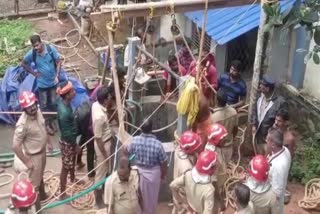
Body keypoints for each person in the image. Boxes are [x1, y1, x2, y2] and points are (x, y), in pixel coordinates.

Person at [12, 91, 52, 212]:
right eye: (29, 107)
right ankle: (37, 209)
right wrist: (27, 161)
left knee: (40, 176)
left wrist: (49, 142)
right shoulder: (22, 125)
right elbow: (15, 146)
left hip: (42, 152)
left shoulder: (38, 111)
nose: (32, 107)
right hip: (33, 156)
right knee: (34, 187)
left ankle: (43, 194)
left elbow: (44, 126)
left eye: (33, 104)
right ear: (24, 109)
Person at [21, 35, 62, 134]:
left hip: (52, 82)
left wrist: (57, 75)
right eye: (34, 46)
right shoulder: (32, 54)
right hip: (42, 84)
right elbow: (23, 63)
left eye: (37, 45)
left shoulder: (50, 49)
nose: (36, 48)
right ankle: (47, 123)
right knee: (43, 105)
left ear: (41, 43)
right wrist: (33, 73)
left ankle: (52, 121)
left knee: (53, 102)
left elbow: (59, 61)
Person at [127, 119, 168, 214]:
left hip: (139, 173)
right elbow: (164, 162)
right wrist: (163, 175)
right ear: (152, 129)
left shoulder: (135, 140)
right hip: (154, 175)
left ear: (141, 128)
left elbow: (126, 151)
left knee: (139, 196)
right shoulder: (158, 144)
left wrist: (128, 168)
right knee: (152, 199)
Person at [251, 74, 288, 155]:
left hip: (270, 140)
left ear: (267, 89)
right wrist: (254, 124)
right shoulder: (259, 95)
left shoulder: (280, 102)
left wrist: (272, 134)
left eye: (262, 85)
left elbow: (282, 123)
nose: (259, 86)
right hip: (258, 136)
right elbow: (254, 110)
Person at [56, 81, 80, 200]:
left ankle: (73, 178)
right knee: (65, 167)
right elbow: (67, 133)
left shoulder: (62, 102)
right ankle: (62, 193)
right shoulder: (64, 114)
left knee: (71, 161)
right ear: (67, 95)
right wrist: (75, 145)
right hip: (68, 142)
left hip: (68, 138)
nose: (74, 92)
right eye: (72, 91)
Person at [91, 86, 114, 207]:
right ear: (105, 100)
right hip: (103, 145)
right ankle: (98, 202)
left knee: (104, 171)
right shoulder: (100, 116)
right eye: (109, 98)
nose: (110, 100)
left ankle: (102, 195)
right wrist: (105, 155)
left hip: (104, 142)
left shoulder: (95, 105)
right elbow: (98, 138)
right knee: (100, 174)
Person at [172, 130, 203, 214]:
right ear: (190, 150)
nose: (198, 148)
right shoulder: (188, 168)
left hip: (177, 189)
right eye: (196, 148)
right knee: (185, 210)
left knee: (177, 208)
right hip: (184, 195)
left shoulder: (178, 150)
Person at [266, 128, 291, 214]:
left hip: (274, 202)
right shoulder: (285, 150)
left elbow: (277, 193)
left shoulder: (278, 166)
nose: (266, 141)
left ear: (273, 145)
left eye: (267, 140)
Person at [205, 123, 228, 213]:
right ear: (215, 140)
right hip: (215, 188)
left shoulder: (213, 146)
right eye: (222, 139)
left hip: (219, 182)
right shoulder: (212, 157)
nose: (225, 140)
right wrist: (220, 201)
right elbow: (213, 182)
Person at [211, 90, 238, 162]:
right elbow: (235, 129)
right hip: (229, 146)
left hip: (218, 148)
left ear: (216, 100)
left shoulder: (213, 117)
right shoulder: (233, 112)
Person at [74, 100, 95, 179]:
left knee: (83, 138)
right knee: (90, 148)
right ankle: (91, 173)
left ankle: (78, 161)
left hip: (83, 115)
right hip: (87, 119)